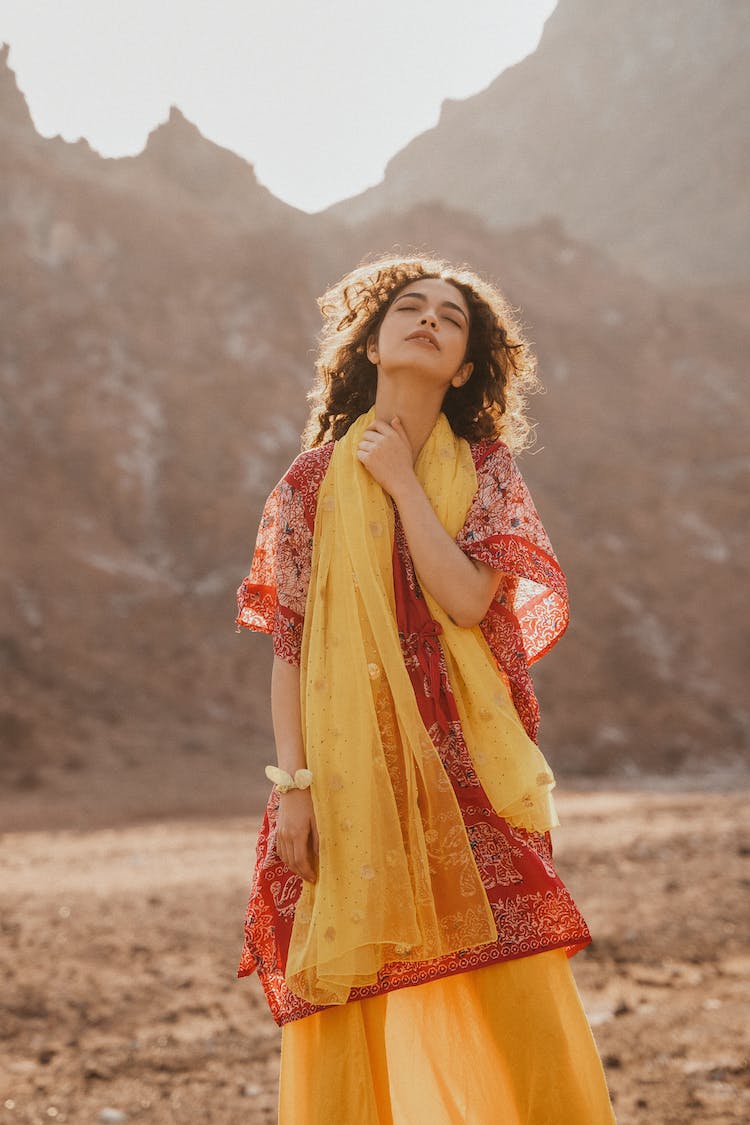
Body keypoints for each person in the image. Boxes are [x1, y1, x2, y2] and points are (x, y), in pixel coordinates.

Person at [234, 252, 617, 1123]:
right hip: (345, 772)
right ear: (371, 343)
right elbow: (287, 648)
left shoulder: (483, 471)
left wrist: (403, 482)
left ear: (467, 366)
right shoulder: (304, 486)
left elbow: (468, 597)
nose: (431, 320)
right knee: (351, 995)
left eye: (452, 319)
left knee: (520, 980)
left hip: (469, 762)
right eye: (410, 306)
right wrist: (293, 788)